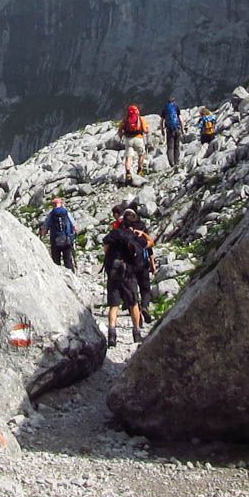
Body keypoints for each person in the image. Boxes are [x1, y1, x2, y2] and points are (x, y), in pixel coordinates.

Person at [100, 208, 151, 346]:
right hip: (128, 273)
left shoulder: (115, 233)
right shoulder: (133, 236)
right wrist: (143, 234)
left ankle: (112, 334)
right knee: (133, 303)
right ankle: (136, 333)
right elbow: (150, 244)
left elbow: (105, 246)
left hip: (113, 272)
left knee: (113, 305)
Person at [39, 197, 79, 271]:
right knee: (68, 260)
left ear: (53, 205)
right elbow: (75, 227)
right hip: (67, 240)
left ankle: (58, 278)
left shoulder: (51, 214)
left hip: (55, 241)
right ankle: (72, 276)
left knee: (56, 261)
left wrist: (42, 234)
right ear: (61, 203)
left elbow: (45, 229)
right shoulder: (66, 213)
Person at [118, 104, 148, 183]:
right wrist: (147, 131)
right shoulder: (140, 119)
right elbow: (145, 130)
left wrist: (121, 137)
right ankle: (139, 170)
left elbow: (120, 130)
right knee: (141, 154)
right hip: (139, 139)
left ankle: (128, 172)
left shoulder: (125, 119)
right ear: (137, 111)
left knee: (129, 157)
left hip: (128, 140)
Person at [161, 98, 183, 168]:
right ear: (174, 101)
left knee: (170, 147)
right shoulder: (176, 107)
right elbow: (180, 119)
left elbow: (161, 121)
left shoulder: (165, 109)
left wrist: (162, 130)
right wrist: (182, 129)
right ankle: (176, 162)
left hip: (169, 130)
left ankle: (171, 163)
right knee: (177, 146)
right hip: (177, 129)